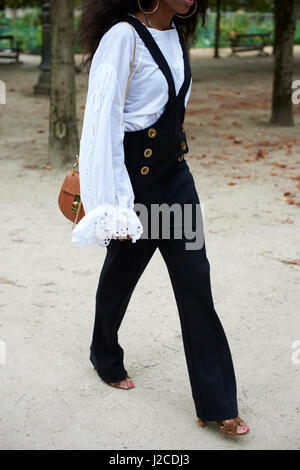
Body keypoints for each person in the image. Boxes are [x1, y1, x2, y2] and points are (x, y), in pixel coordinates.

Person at [72, 0, 250, 436]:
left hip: (175, 180)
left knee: (196, 283)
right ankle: (104, 353)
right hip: (134, 185)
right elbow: (103, 120)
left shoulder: (178, 36)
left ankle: (217, 403)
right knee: (120, 276)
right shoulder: (123, 37)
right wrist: (114, 200)